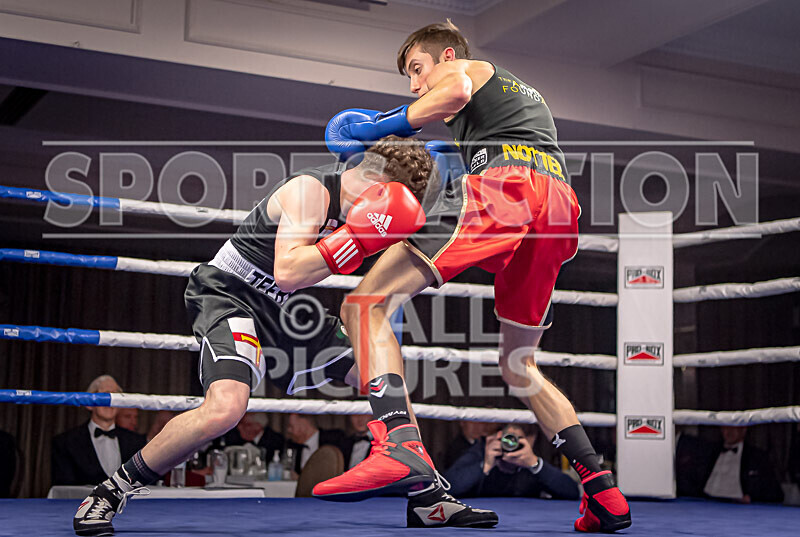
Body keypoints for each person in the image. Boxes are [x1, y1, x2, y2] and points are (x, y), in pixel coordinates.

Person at [72, 136, 493, 535]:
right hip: (230, 293)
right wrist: (357, 238)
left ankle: (427, 498)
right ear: (382, 187)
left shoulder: (360, 209)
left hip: (283, 309)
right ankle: (110, 491)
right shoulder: (310, 191)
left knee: (381, 372)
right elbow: (288, 272)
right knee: (225, 409)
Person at [313, 21, 631, 532]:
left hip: (509, 188)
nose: (416, 84)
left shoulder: (467, 69)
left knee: (363, 305)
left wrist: (381, 125)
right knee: (519, 366)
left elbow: (455, 89)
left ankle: (398, 444)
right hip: (557, 208)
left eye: (417, 69)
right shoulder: (514, 98)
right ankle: (601, 488)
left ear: (445, 55)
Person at [52, 376, 146, 487]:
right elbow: (64, 490)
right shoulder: (65, 443)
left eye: (115, 395)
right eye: (105, 395)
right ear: (89, 404)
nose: (110, 401)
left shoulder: (137, 442)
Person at [444, 423, 579, 500]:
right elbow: (447, 488)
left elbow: (572, 492)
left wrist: (535, 464)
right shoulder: (483, 450)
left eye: (517, 439)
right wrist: (486, 465)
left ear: (531, 439)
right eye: (507, 439)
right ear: (498, 437)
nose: (511, 444)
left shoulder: (531, 458)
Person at [677, 426, 783, 504]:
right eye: (725, 427)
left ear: (744, 429)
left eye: (734, 428)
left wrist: (752, 498)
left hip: (739, 508)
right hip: (706, 503)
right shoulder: (708, 452)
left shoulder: (757, 457)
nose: (729, 431)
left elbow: (775, 493)